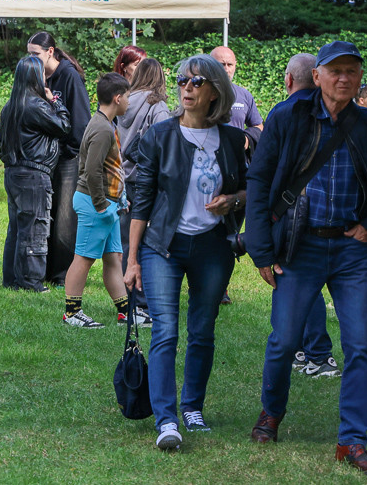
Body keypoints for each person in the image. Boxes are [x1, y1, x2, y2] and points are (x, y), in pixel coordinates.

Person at [246, 41, 367, 475]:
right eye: (334, 71)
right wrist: (261, 248)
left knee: (361, 345)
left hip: (353, 250)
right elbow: (259, 182)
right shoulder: (287, 116)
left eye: (352, 71)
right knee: (283, 341)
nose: (343, 78)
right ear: (316, 76)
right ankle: (271, 412)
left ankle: (352, 441)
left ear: (359, 79)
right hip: (301, 247)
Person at [124, 54, 247, 450]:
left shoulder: (230, 139)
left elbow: (249, 188)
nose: (187, 88)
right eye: (182, 81)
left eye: (196, 83)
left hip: (213, 247)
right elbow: (141, 199)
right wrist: (132, 258)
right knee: (165, 330)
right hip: (164, 247)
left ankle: (192, 406)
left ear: (215, 91)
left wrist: (233, 200)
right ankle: (166, 418)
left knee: (202, 329)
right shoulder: (160, 134)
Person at [269, 53, 341, 378]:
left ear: (288, 80)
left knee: (302, 285)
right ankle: (306, 350)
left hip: (298, 216)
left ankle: (319, 354)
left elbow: (268, 174)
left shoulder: (284, 113)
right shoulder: (336, 114)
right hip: (331, 217)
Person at [63, 73, 143, 329]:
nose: (129, 102)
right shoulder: (101, 129)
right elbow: (92, 171)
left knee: (113, 259)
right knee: (84, 258)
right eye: (128, 96)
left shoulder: (107, 124)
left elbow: (110, 170)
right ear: (117, 98)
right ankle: (72, 313)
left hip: (107, 204)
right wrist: (101, 206)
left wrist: (118, 201)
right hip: (94, 204)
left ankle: (125, 313)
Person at [0, 56, 71, 292]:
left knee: (17, 228)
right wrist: (56, 101)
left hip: (13, 172)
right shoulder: (36, 105)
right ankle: (30, 282)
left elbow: (0, 144)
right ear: (36, 77)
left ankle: (12, 279)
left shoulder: (10, 106)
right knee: (36, 226)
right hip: (34, 172)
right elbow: (63, 127)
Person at [26, 31, 91, 286]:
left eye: (35, 54)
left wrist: (69, 151)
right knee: (46, 214)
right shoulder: (34, 74)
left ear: (50, 52)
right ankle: (43, 269)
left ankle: (61, 275)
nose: (30, 58)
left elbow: (81, 120)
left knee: (65, 218)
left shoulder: (69, 76)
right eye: (28, 53)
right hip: (43, 156)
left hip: (67, 157)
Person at [116, 58, 171, 315]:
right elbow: (163, 143)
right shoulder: (156, 105)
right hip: (146, 180)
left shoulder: (124, 101)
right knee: (147, 242)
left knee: (128, 243)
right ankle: (142, 303)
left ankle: (128, 299)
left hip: (124, 177)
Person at [210, 44, 263, 307]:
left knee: (232, 232)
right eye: (220, 64)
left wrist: (246, 138)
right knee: (210, 231)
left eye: (229, 64)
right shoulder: (200, 93)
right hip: (209, 174)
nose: (226, 69)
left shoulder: (244, 95)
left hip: (240, 176)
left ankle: (221, 288)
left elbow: (259, 126)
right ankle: (205, 282)